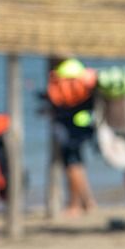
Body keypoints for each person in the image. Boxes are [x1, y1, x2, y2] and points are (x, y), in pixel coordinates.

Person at [45, 58, 98, 217]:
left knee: (72, 164)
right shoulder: (79, 70)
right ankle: (86, 201)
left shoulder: (60, 74)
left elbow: (58, 101)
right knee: (77, 163)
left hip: (69, 125)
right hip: (84, 122)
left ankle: (79, 204)